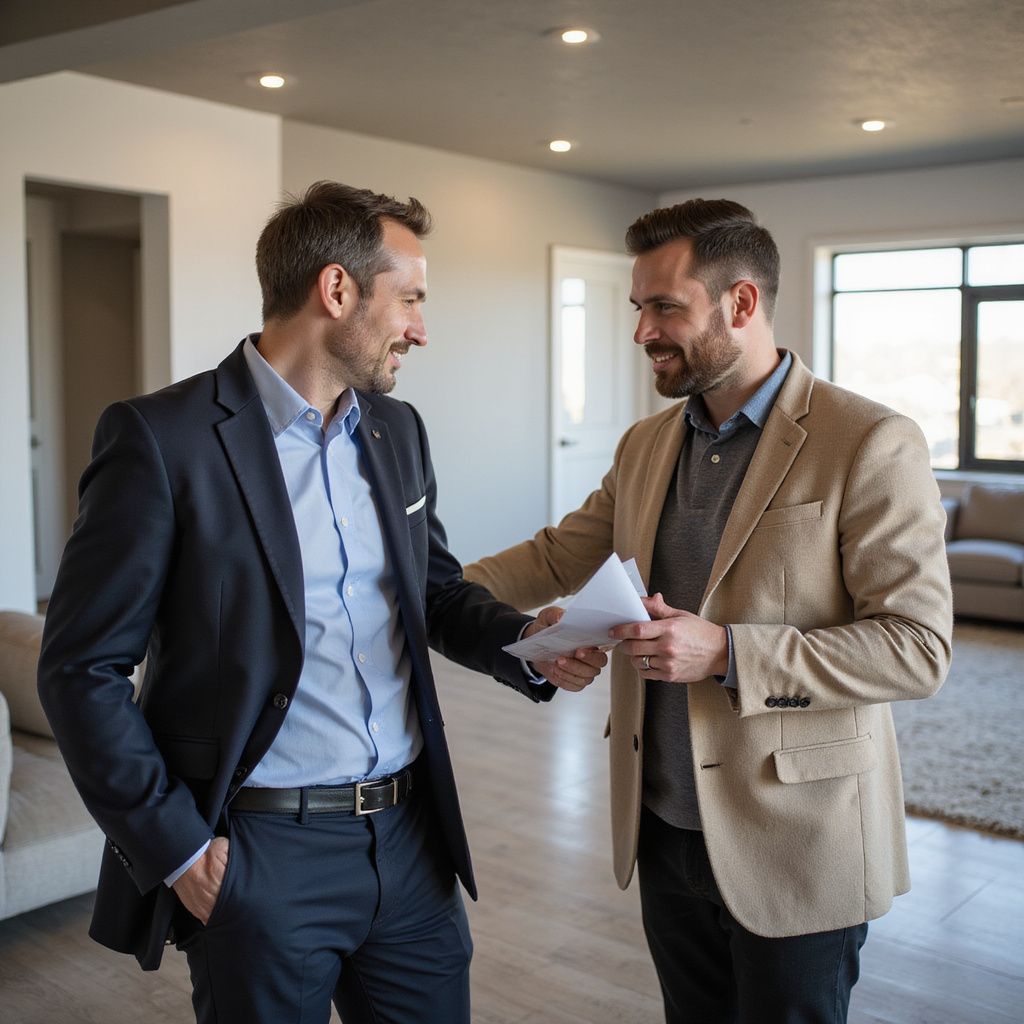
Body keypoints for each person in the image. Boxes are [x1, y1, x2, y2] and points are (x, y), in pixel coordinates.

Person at [36, 181, 605, 1024]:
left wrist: (525, 642)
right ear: (336, 291)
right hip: (263, 857)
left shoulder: (396, 430)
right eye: (409, 299)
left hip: (412, 845)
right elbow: (82, 669)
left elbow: (434, 592)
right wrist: (182, 852)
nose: (421, 326)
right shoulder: (164, 440)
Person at [465, 198, 953, 1023]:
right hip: (661, 824)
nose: (642, 331)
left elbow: (916, 649)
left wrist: (727, 651)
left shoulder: (870, 440)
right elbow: (554, 557)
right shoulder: (645, 445)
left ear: (741, 303)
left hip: (799, 836)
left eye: (666, 307)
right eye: (638, 307)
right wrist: (406, 586)